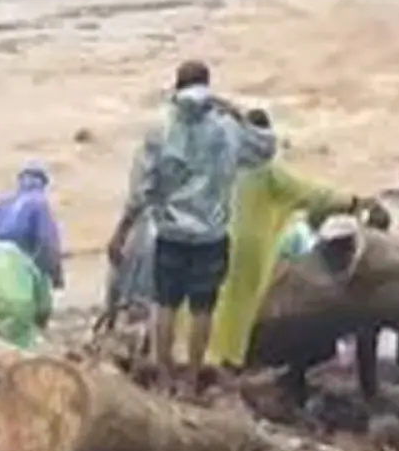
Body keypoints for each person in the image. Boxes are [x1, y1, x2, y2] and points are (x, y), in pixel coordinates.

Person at [108, 61, 276, 378]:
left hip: (169, 232)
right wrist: (236, 110)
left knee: (165, 304)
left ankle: (164, 376)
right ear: (208, 87)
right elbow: (266, 148)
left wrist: (122, 232)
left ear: (176, 87)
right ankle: (192, 378)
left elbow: (141, 189)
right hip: (212, 235)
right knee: (203, 308)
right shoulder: (227, 128)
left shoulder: (160, 128)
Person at [206, 109, 362, 368]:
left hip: (213, 241)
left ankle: (204, 357)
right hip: (250, 250)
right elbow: (313, 193)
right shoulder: (268, 173)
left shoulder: (220, 165)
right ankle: (229, 362)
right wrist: (351, 200)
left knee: (215, 302)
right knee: (242, 307)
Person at [0, 163, 65, 292]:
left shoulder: (2, 202)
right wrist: (56, 276)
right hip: (24, 270)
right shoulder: (40, 203)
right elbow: (47, 241)